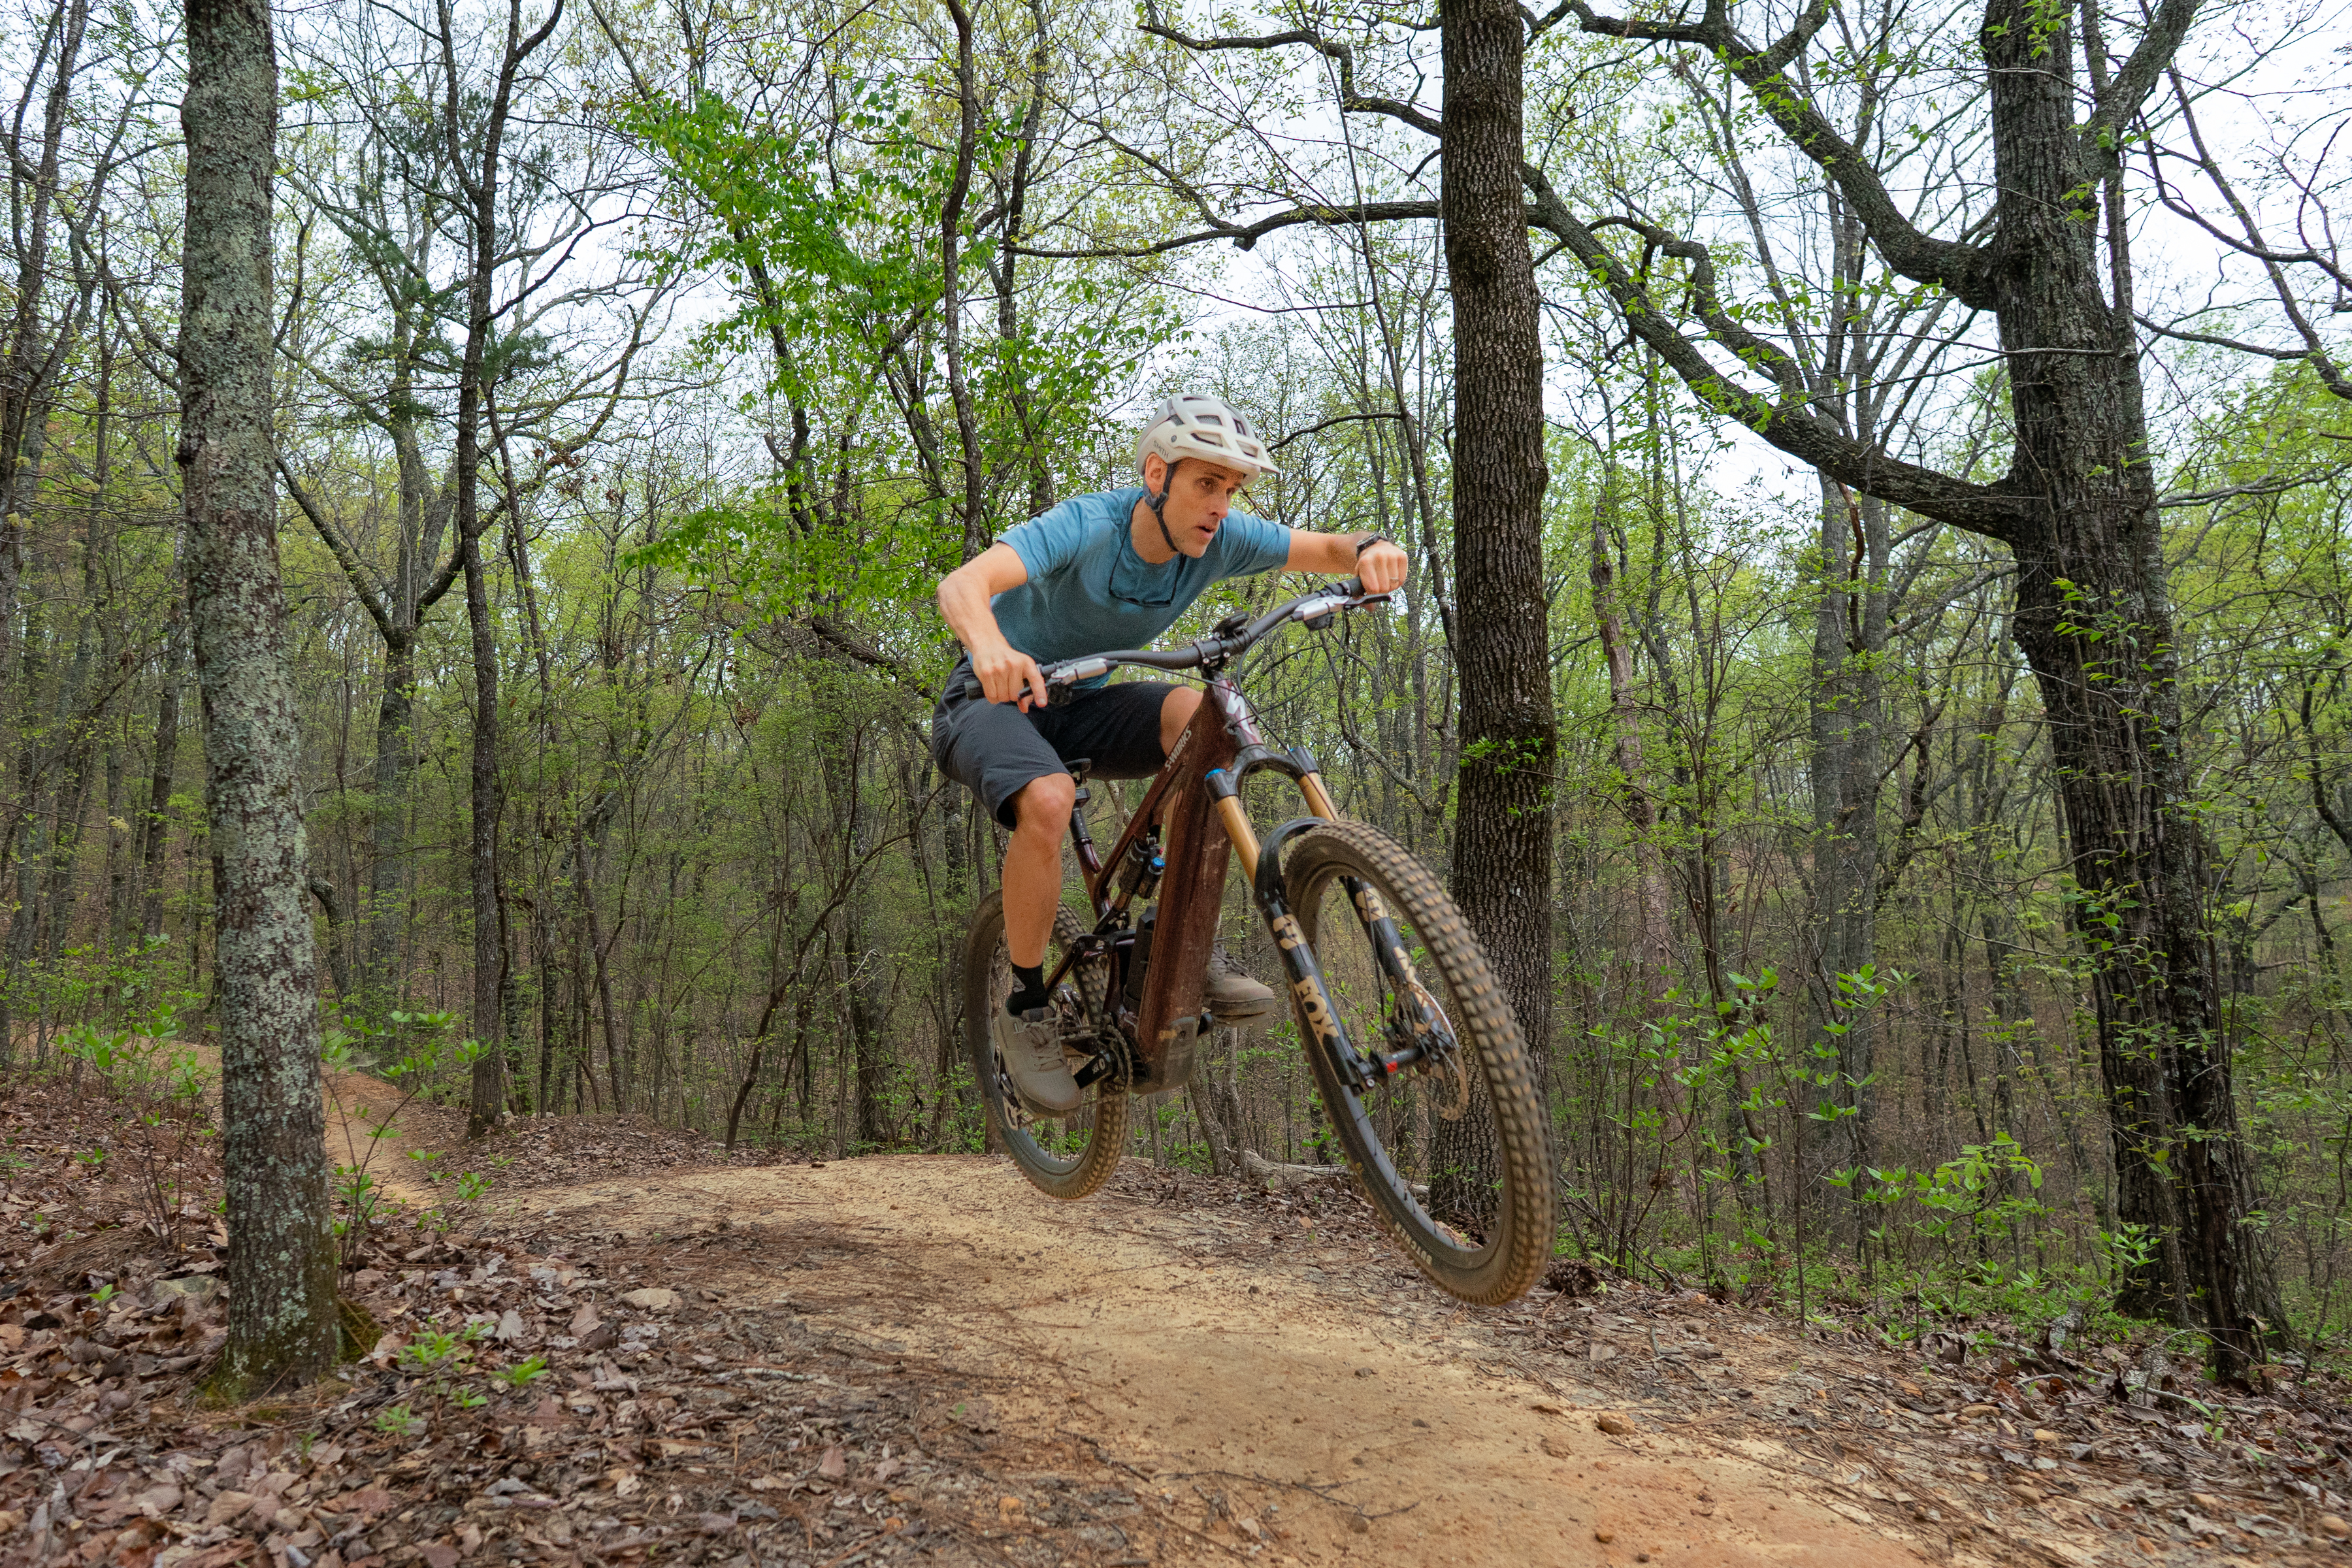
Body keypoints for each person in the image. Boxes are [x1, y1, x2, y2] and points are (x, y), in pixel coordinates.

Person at [932, 391, 1411, 1113]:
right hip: (990, 700)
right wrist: (993, 647)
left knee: (1200, 716)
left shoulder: (1218, 540)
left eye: (1232, 489)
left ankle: (1171, 939)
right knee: (1049, 800)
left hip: (1081, 704)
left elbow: (1325, 549)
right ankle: (1027, 1005)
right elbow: (963, 584)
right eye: (1206, 484)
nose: (1220, 505)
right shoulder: (1086, 526)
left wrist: (1372, 549)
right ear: (1157, 475)